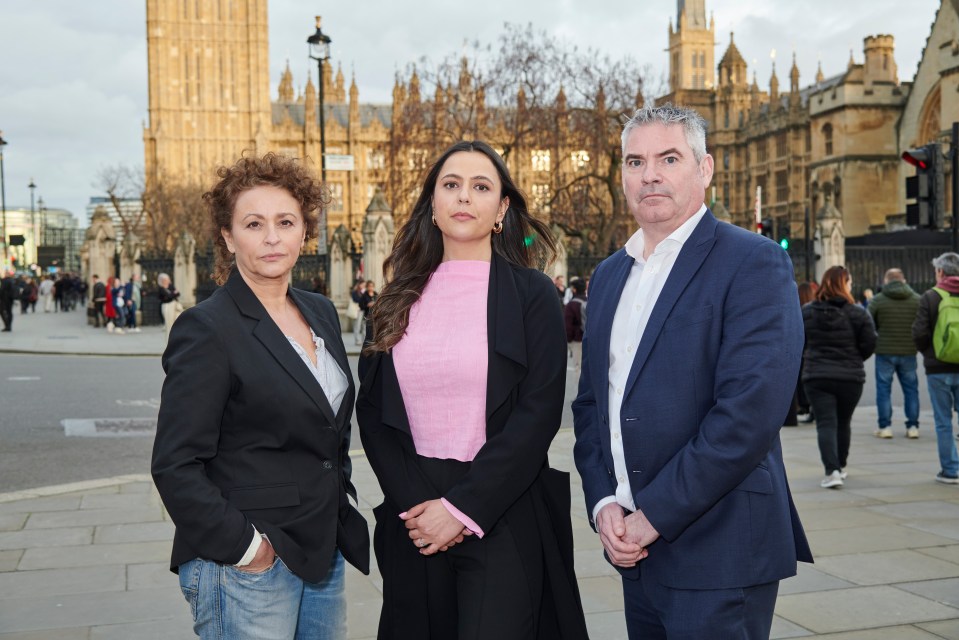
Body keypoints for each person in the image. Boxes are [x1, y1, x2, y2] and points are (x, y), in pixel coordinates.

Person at [572, 104, 811, 639]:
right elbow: (592, 404)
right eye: (635, 161)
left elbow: (748, 415)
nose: (649, 174)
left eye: (668, 158)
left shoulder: (753, 261)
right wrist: (604, 501)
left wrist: (652, 515)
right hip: (633, 551)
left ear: (704, 169)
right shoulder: (610, 275)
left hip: (720, 550)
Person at [357, 140, 587, 640]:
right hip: (415, 513)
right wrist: (422, 509)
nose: (465, 197)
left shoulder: (533, 296)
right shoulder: (395, 299)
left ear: (501, 208)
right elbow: (372, 412)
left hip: (503, 506)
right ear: (433, 205)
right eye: (451, 185)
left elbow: (538, 413)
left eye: (481, 187)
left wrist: (461, 510)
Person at [152, 152, 370, 640]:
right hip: (249, 564)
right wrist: (248, 549)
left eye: (285, 221)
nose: (272, 236)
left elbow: (327, 430)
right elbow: (174, 463)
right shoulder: (207, 328)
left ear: (304, 231)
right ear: (228, 238)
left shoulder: (319, 311)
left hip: (322, 550)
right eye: (254, 223)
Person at [802, 266, 877, 489]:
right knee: (843, 422)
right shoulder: (858, 313)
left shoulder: (807, 312)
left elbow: (799, 340)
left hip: (817, 375)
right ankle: (840, 465)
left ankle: (831, 469)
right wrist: (855, 358)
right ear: (844, 284)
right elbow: (870, 343)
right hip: (850, 376)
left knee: (825, 423)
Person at [912, 252, 959, 484]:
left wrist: (930, 353)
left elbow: (919, 332)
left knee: (943, 421)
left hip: (938, 368)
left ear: (940, 272)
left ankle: (950, 470)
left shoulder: (931, 296)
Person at [868, 268, 921, 439]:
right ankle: (913, 426)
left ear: (886, 280)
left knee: (884, 389)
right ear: (903, 280)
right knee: (911, 389)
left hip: (884, 350)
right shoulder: (916, 300)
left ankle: (885, 426)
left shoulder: (878, 300)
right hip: (908, 350)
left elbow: (869, 324)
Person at [564, 278, 587, 372]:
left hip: (577, 340)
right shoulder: (591, 301)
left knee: (578, 367)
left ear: (574, 289)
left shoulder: (571, 305)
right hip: (591, 339)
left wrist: (569, 340)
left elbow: (567, 326)